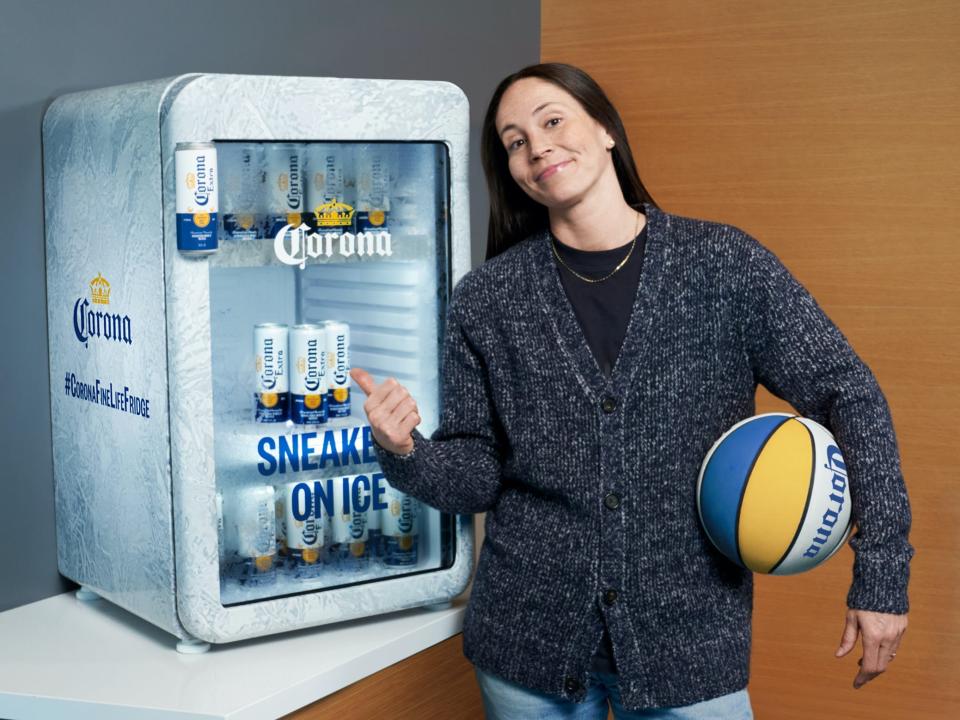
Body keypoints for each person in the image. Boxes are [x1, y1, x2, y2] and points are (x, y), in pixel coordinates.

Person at [349, 63, 914, 719]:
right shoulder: (487, 301)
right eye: (514, 142)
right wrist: (405, 450)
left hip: (690, 647)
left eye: (552, 121)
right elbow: (477, 474)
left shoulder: (725, 265)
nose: (537, 148)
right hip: (527, 651)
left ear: (606, 129)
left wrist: (882, 574)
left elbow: (851, 394)